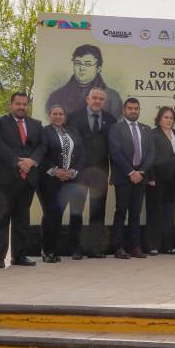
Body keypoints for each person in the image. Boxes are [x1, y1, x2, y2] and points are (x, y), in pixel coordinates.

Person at [0, 91, 45, 268]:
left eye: (24, 104)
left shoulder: (36, 124)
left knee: (22, 219)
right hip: (2, 180)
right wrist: (18, 162)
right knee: (1, 218)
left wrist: (32, 161)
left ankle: (19, 256)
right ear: (10, 105)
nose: (21, 107)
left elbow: (42, 146)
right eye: (18, 104)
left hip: (26, 180)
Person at [67, 87, 116, 258]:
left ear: (104, 102)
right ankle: (75, 248)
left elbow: (113, 149)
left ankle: (95, 248)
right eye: (94, 98)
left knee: (98, 211)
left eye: (101, 99)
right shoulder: (73, 118)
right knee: (76, 210)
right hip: (78, 172)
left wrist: (114, 172)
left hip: (101, 172)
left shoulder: (111, 120)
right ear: (87, 99)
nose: (97, 101)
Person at [108, 98, 154, 259]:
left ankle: (135, 246)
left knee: (136, 213)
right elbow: (115, 152)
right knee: (121, 212)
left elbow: (150, 154)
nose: (133, 111)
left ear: (139, 110)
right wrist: (130, 172)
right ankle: (118, 247)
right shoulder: (116, 128)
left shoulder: (146, 129)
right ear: (124, 110)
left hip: (141, 176)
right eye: (130, 108)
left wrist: (140, 172)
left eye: (136, 108)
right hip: (123, 175)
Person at [38, 105, 85, 263]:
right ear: (49, 115)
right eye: (54, 114)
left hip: (72, 179)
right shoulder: (44, 132)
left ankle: (75, 248)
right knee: (52, 216)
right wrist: (56, 171)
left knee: (76, 215)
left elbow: (81, 154)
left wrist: (72, 171)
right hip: (51, 181)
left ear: (64, 116)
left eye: (61, 113)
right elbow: (41, 155)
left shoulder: (73, 132)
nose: (58, 116)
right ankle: (47, 251)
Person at [46, 44, 124, 119]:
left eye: (87, 64)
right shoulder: (57, 96)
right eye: (77, 63)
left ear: (98, 68)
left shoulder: (113, 98)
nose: (81, 68)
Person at [146, 106, 175, 255]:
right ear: (159, 119)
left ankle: (168, 245)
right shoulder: (152, 134)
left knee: (169, 211)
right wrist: (150, 177)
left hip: (172, 179)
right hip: (156, 179)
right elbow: (148, 156)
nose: (168, 120)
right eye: (165, 117)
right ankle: (153, 245)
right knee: (155, 212)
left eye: (171, 118)